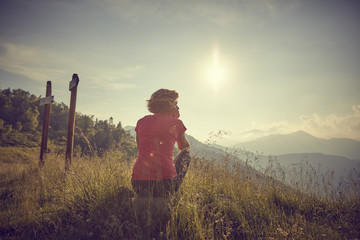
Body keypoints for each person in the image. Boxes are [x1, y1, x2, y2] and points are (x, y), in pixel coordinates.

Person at [131, 89, 191, 198]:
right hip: (164, 186)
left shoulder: (141, 121)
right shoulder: (176, 123)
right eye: (176, 103)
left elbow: (141, 148)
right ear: (170, 104)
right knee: (186, 155)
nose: (178, 106)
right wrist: (175, 119)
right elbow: (184, 147)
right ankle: (169, 195)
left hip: (138, 185)